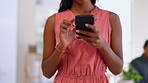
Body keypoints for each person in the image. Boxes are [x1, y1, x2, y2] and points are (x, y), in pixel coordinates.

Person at [41, 0, 123, 83]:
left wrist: (102, 45)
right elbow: (47, 72)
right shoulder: (53, 21)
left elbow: (117, 69)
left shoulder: (112, 19)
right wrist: (61, 46)